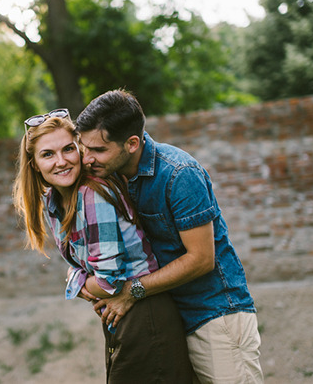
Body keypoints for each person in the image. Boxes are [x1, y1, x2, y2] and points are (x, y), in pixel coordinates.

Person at [76, 90, 264, 384]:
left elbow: (201, 259)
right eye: (83, 147)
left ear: (132, 143)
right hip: (167, 317)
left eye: (98, 150)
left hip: (215, 314)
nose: (86, 159)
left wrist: (132, 291)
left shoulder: (178, 173)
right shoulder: (109, 178)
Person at [12, 108, 194, 383]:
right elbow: (88, 269)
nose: (61, 161)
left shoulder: (89, 194)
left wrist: (75, 283)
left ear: (80, 150)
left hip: (145, 313)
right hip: (120, 313)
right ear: (35, 164)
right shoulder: (52, 203)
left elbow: (109, 281)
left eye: (68, 149)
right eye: (48, 154)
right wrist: (81, 276)